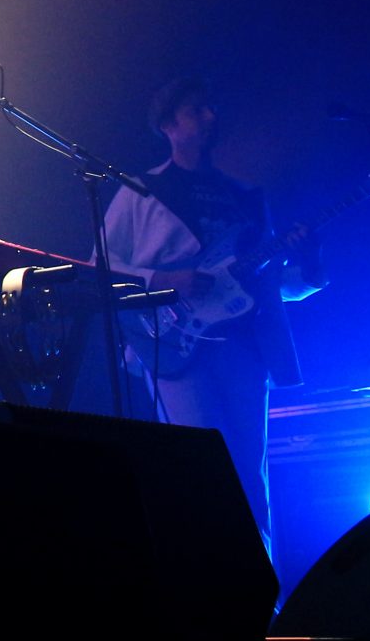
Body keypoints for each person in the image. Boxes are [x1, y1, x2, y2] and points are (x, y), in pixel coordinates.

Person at [103, 76, 325, 555]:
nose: (209, 117)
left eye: (211, 109)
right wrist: (162, 280)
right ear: (167, 125)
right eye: (195, 111)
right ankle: (208, 600)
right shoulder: (142, 191)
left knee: (250, 473)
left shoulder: (245, 196)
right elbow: (99, 266)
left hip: (244, 346)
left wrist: (310, 263)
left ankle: (266, 605)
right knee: (197, 470)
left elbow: (274, 289)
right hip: (173, 344)